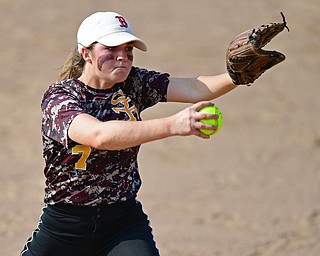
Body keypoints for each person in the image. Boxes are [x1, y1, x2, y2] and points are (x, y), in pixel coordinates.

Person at [20, 11, 237, 256]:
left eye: (128, 49)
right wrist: (174, 125)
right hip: (65, 225)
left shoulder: (133, 83)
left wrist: (238, 76)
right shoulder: (60, 97)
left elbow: (193, 88)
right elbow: (99, 136)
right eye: (111, 49)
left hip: (122, 223)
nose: (122, 57)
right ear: (85, 53)